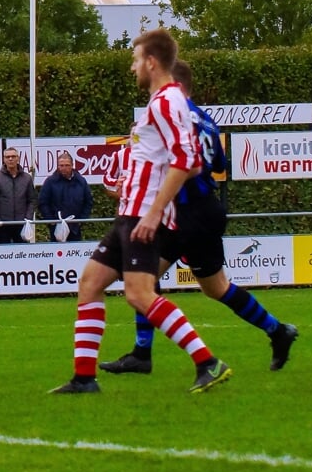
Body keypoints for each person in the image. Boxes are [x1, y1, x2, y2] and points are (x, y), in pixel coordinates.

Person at [50, 29, 231, 395]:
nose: (132, 67)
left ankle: (208, 362)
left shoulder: (166, 102)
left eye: (135, 60)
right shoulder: (165, 102)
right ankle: (84, 379)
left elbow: (188, 162)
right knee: (90, 284)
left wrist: (153, 212)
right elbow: (177, 160)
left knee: (139, 294)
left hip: (142, 217)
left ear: (151, 62)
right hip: (131, 212)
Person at [100, 60, 298, 377]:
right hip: (208, 209)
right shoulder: (207, 121)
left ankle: (145, 354)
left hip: (183, 212)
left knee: (141, 281)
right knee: (216, 287)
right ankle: (278, 331)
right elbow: (217, 164)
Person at [0, 147, 38, 245]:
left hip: (21, 224)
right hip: (3, 225)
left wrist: (28, 218)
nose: (10, 159)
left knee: (23, 254)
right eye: (7, 157)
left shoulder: (27, 178)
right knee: (3, 254)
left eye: (13, 156)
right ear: (4, 159)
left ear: (18, 158)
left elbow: (32, 200)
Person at [39, 151, 93, 242]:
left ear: (72, 165)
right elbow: (43, 202)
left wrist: (81, 220)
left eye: (67, 165)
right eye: (61, 165)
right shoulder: (50, 181)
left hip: (75, 227)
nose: (64, 168)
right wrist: (51, 221)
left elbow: (88, 202)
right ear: (58, 166)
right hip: (56, 227)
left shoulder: (81, 181)